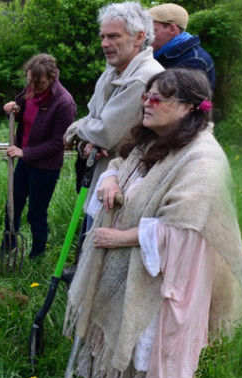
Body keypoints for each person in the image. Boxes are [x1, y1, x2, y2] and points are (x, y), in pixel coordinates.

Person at [64, 68, 242, 378]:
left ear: (189, 107)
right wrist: (108, 178)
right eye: (146, 97)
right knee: (119, 345)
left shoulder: (203, 159)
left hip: (161, 284)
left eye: (158, 99)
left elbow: (184, 229)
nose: (147, 104)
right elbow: (123, 163)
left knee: (147, 356)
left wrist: (120, 238)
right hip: (126, 268)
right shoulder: (154, 138)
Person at [65, 1, 164, 229]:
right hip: (103, 176)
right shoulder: (112, 71)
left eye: (113, 37)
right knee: (90, 241)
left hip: (127, 182)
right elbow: (93, 117)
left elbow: (106, 134)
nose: (104, 44)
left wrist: (76, 130)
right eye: (102, 37)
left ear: (139, 38)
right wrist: (88, 140)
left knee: (106, 249)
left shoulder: (144, 78)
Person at [1, 54, 78, 259]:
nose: (33, 87)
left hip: (45, 166)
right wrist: (14, 107)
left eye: (39, 83)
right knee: (12, 204)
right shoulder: (31, 87)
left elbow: (59, 142)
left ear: (52, 78)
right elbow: (23, 106)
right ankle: (7, 248)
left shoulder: (64, 103)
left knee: (36, 212)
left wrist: (25, 152)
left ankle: (37, 255)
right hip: (25, 162)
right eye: (30, 82)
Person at [148, 3, 216, 91]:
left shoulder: (194, 62)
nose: (147, 35)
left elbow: (177, 100)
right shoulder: (165, 53)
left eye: (152, 30)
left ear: (172, 29)